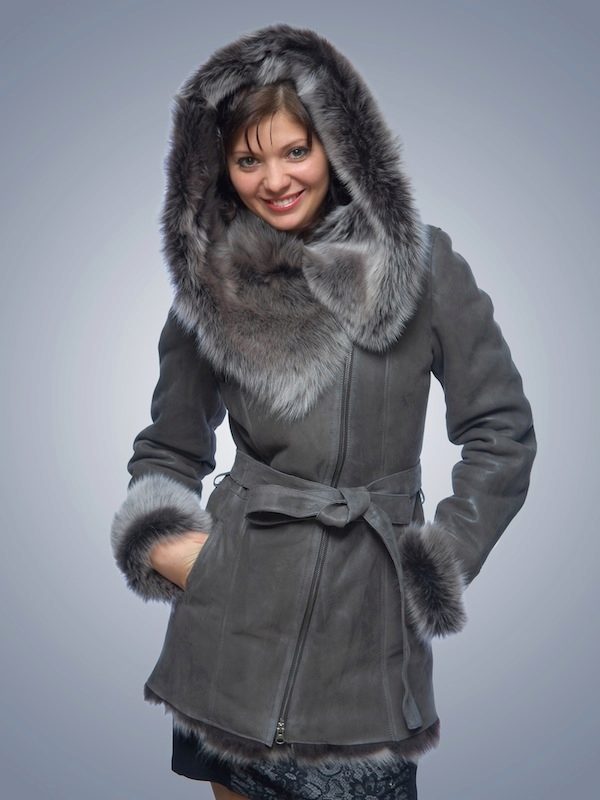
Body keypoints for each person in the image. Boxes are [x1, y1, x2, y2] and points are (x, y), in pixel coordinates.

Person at [110, 24, 537, 800]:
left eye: (295, 150)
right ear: (218, 167)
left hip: (364, 650)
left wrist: (431, 568)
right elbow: (168, 447)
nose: (274, 179)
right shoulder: (213, 285)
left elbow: (501, 432)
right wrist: (174, 547)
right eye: (248, 159)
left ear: (340, 143)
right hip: (227, 646)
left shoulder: (423, 264)